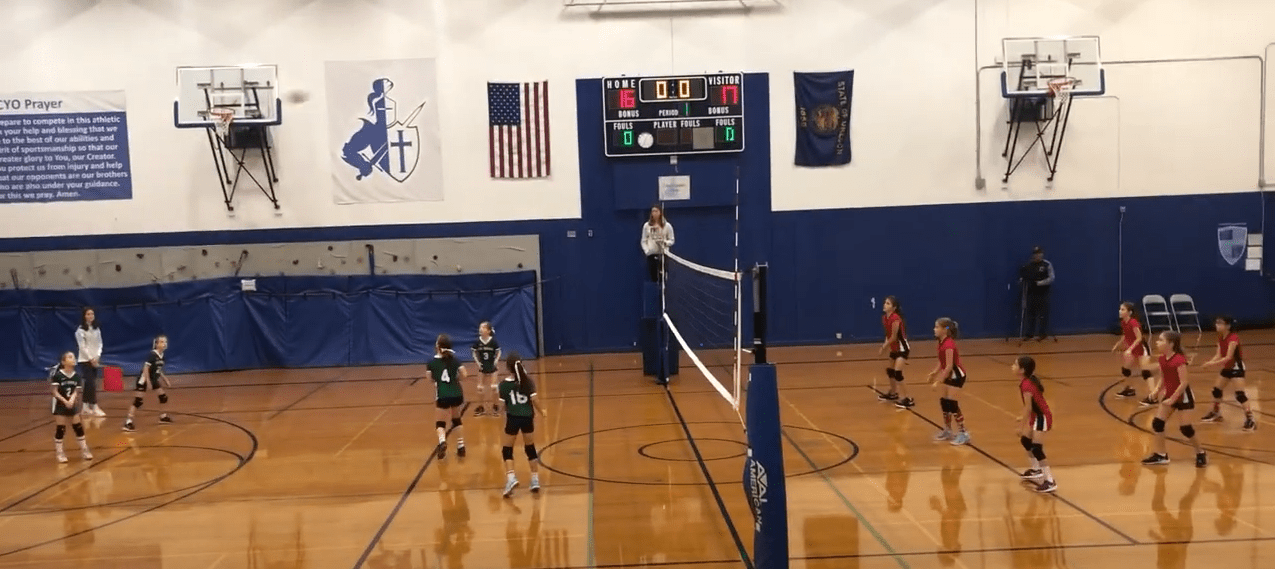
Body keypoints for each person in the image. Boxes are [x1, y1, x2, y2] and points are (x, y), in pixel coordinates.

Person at [1141, 331, 1207, 467]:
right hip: (1170, 394)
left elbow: (1184, 383)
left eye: (1161, 340)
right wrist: (1155, 391)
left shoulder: (1179, 360)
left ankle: (1200, 452)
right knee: (1157, 423)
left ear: (1170, 344)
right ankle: (1161, 455)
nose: (1157, 342)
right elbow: (1164, 378)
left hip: (1183, 396)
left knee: (1185, 428)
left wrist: (1172, 399)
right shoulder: (1162, 359)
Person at [499, 353, 547, 497]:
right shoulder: (528, 382)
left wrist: (502, 413)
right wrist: (542, 411)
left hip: (513, 418)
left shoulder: (504, 385)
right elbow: (535, 400)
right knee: (530, 448)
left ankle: (511, 477)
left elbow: (502, 407)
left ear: (507, 368)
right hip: (527, 418)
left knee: (507, 450)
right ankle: (534, 479)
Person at [1199, 316, 1254, 431]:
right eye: (1217, 323)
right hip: (1227, 368)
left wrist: (1211, 365)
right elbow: (1219, 355)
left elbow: (1228, 357)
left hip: (1236, 368)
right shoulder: (1220, 337)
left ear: (1228, 326)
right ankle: (1216, 413)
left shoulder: (1233, 338)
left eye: (1220, 323)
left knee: (1240, 395)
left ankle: (1250, 420)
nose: (1217, 325)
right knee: (1216, 390)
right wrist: (1209, 362)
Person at [1013, 356, 1055, 493]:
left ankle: (1050, 480)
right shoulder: (1026, 381)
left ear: (1022, 370)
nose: (1012, 366)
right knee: (1026, 440)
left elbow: (1029, 407)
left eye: (1015, 364)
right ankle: (1036, 469)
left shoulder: (1026, 384)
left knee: (1037, 448)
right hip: (1036, 416)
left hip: (1042, 417)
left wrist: (1021, 426)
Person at [927, 318, 970, 446]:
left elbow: (949, 366)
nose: (934, 329)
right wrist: (934, 373)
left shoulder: (949, 345)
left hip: (956, 376)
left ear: (944, 330)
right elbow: (942, 361)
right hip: (949, 375)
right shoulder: (941, 342)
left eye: (936, 327)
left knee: (952, 403)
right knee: (945, 402)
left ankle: (963, 433)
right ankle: (948, 430)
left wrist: (938, 381)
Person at [428, 334, 467, 459]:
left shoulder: (432, 362)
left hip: (443, 394)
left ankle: (442, 441)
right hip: (456, 393)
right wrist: (456, 379)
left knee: (440, 422)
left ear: (438, 347)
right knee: (456, 419)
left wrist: (437, 380)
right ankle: (461, 446)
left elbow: (429, 378)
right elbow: (464, 374)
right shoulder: (455, 360)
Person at [124, 335, 173, 432]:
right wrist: (148, 382)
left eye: (165, 342)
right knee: (138, 401)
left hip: (154, 379)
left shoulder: (162, 356)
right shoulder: (152, 355)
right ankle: (128, 422)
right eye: (162, 342)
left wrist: (165, 379)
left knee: (163, 397)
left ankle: (162, 417)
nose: (164, 344)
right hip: (144, 380)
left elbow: (158, 369)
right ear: (157, 344)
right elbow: (146, 368)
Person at [50, 351, 93, 463]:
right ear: (63, 362)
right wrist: (65, 401)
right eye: (70, 357)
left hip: (72, 404)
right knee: (61, 428)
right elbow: (54, 392)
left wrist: (72, 400)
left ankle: (84, 449)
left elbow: (76, 391)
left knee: (78, 427)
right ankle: (60, 452)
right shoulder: (58, 375)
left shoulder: (76, 376)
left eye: (74, 357)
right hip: (60, 404)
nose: (73, 359)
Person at [1111, 301, 1155, 404]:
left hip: (1141, 348)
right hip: (1133, 349)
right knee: (1126, 369)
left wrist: (1130, 349)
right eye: (1120, 309)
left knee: (1146, 372)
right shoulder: (1123, 322)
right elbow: (1125, 335)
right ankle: (1129, 389)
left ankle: (1153, 396)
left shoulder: (1133, 322)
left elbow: (1139, 338)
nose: (1120, 311)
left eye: (1122, 309)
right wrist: (1117, 344)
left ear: (1129, 312)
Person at [876, 296, 913, 409]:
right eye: (885, 303)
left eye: (888, 303)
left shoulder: (896, 318)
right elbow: (888, 335)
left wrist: (883, 347)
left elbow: (893, 336)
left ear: (894, 307)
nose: (884, 305)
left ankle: (908, 398)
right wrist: (886, 346)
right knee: (891, 371)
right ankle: (893, 393)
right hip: (894, 348)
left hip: (902, 348)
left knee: (898, 373)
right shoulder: (884, 318)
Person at [1018, 247, 1055, 341]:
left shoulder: (1046, 264)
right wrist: (1022, 280)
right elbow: (1023, 277)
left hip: (1043, 293)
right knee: (1031, 314)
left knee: (1043, 314)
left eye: (1039, 253)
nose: (1037, 255)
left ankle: (1043, 334)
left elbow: (1051, 278)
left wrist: (1039, 283)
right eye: (1036, 254)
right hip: (1031, 293)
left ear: (1042, 254)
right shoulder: (1029, 265)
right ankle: (1029, 334)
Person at [75, 307, 106, 417]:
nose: (90, 316)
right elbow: (82, 346)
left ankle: (85, 407)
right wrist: (90, 358)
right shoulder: (80, 331)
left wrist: (97, 356)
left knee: (90, 384)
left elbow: (100, 343)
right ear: (84, 316)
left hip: (95, 360)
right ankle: (94, 406)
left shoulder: (96, 329)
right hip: (85, 361)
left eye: (92, 314)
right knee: (90, 383)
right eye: (88, 314)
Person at [471, 321, 502, 417]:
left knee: (494, 387)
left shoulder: (493, 341)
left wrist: (496, 361)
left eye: (483, 328)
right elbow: (474, 352)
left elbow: (499, 352)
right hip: (482, 367)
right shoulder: (478, 342)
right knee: (480, 388)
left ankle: (496, 406)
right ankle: (481, 407)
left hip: (492, 367)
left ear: (488, 331)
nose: (480, 329)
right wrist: (477, 363)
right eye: (480, 327)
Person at [640, 204, 675, 282]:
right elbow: (643, 241)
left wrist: (665, 243)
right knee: (654, 278)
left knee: (663, 278)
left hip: (663, 254)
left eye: (656, 211)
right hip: (651, 255)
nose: (654, 213)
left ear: (660, 212)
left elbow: (672, 240)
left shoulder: (667, 226)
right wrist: (647, 251)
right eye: (653, 211)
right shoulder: (646, 226)